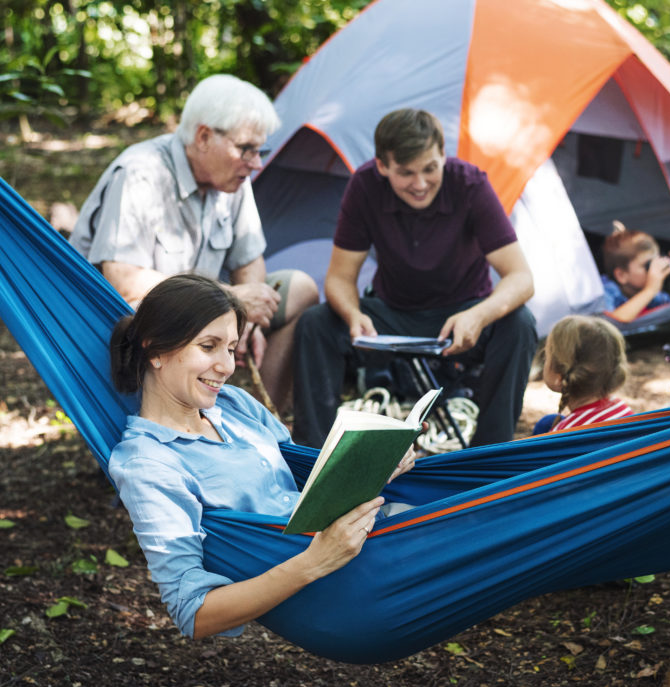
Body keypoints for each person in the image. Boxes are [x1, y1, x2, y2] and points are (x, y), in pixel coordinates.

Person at [107, 274, 414, 639]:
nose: (227, 366)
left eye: (231, 348)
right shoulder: (149, 463)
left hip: (378, 534)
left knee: (484, 508)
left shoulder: (234, 405)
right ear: (155, 349)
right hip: (347, 583)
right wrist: (314, 562)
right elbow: (193, 613)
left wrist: (373, 465)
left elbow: (305, 483)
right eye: (209, 346)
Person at [70, 74, 318, 413]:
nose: (257, 163)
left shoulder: (232, 179)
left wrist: (249, 319)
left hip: (206, 316)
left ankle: (262, 425)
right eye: (246, 149)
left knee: (301, 288)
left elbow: (249, 261)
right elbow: (122, 279)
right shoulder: (141, 174)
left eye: (260, 151)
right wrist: (230, 297)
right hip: (133, 321)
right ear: (203, 136)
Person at [292, 108, 537, 448]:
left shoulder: (470, 184)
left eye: (430, 169)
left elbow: (522, 278)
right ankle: (313, 453)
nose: (420, 184)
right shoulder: (365, 186)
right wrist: (353, 315)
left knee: (520, 324)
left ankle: (489, 452)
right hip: (392, 313)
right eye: (406, 173)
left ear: (443, 155)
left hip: (463, 313)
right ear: (382, 167)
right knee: (315, 324)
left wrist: (478, 315)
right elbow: (339, 278)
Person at [531, 315, 634, 434]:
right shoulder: (622, 410)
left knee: (544, 426)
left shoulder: (563, 434)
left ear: (559, 376)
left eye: (547, 356)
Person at [601, 221, 670, 323]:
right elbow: (607, 325)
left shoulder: (652, 293)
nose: (654, 270)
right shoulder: (606, 291)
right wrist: (650, 290)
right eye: (648, 265)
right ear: (621, 275)